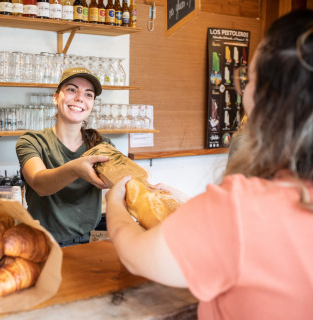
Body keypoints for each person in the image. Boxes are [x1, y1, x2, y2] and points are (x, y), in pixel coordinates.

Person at [105, 9, 313, 319]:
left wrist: (115, 203)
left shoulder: (240, 209)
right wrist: (188, 205)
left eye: (249, 79)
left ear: (268, 98)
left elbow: (137, 256)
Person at [16, 67, 113, 246]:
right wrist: (76, 168)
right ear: (55, 97)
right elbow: (39, 183)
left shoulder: (102, 146)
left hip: (89, 242)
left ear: (91, 104)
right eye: (71, 90)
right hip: (42, 244)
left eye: (88, 94)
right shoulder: (32, 141)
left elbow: (119, 188)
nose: (80, 98)